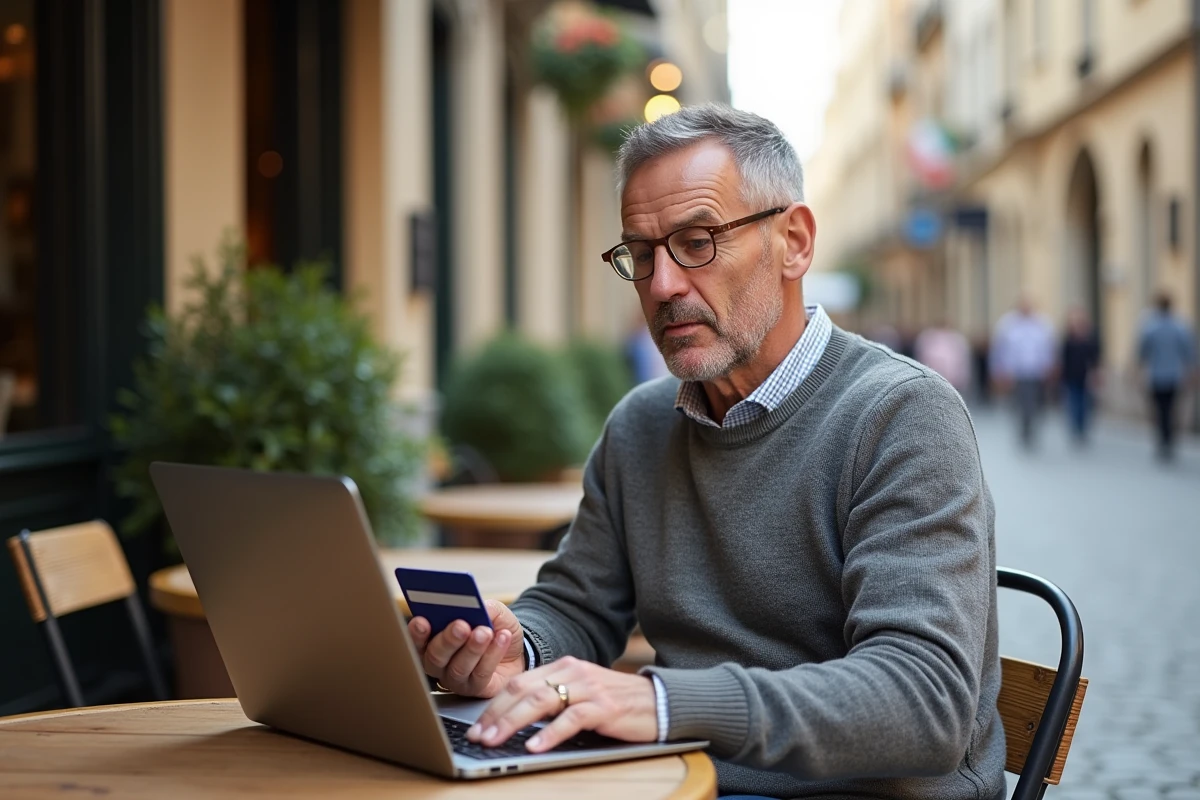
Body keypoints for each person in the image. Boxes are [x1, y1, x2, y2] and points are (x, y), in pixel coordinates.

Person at [408, 105, 1005, 800]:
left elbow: (924, 700)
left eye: (697, 242)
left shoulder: (901, 414)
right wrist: (517, 647)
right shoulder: (641, 424)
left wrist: (661, 705)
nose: (661, 285)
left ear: (795, 241)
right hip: (682, 782)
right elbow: (578, 602)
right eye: (642, 253)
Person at [989, 297, 1056, 448]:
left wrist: (1050, 367)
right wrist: (998, 370)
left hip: (1036, 372)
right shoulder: (1007, 324)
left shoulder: (1042, 323)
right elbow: (999, 349)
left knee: (1035, 404)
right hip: (1015, 373)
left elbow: (1049, 348)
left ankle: (1032, 428)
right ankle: (1023, 430)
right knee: (1019, 404)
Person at [1137, 292, 1197, 461]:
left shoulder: (1150, 326)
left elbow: (1142, 351)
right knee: (1172, 408)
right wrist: (1192, 370)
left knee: (1160, 409)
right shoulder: (1180, 326)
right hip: (1175, 375)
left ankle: (1163, 440)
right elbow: (1189, 351)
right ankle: (1169, 439)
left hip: (1156, 375)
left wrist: (1137, 370)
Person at [1059, 307, 1101, 444]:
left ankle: (1082, 427)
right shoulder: (1068, 339)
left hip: (1085, 376)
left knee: (1084, 403)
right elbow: (1063, 359)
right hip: (1071, 376)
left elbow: (1095, 358)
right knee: (1074, 402)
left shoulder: (1090, 339)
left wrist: (1096, 372)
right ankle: (1075, 427)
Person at [913, 321, 972, 395]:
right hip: (933, 378)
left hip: (953, 380)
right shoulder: (928, 337)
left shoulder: (956, 339)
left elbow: (962, 361)